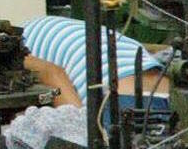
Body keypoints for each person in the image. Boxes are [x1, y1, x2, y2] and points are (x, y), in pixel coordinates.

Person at [21, 12, 168, 108]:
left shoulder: (18, 52)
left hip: (121, 100)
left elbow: (51, 74)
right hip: (166, 90)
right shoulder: (40, 27)